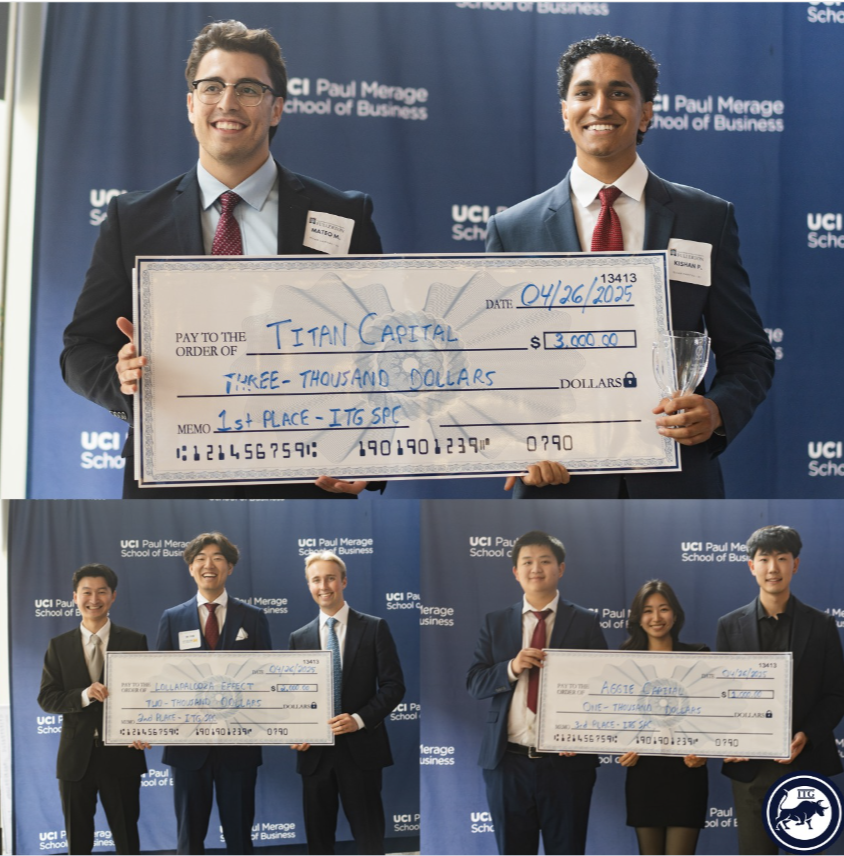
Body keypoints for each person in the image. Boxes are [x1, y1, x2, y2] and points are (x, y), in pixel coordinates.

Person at [61, 19, 383, 499]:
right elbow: (81, 348)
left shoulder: (342, 214)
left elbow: (386, 346)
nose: (228, 103)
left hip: (306, 479)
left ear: (276, 109)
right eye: (211, 87)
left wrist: (373, 458)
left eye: (249, 89)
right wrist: (119, 376)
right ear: (191, 104)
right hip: (171, 479)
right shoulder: (131, 219)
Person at [487, 34, 774, 499]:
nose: (600, 106)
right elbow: (493, 363)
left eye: (619, 92)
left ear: (646, 112)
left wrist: (717, 411)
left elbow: (748, 353)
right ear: (565, 111)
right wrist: (515, 444)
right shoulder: (511, 230)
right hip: (556, 478)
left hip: (676, 480)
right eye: (584, 93)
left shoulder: (706, 218)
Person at [466, 530, 607, 855]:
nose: (536, 568)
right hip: (507, 763)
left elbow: (601, 690)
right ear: (515, 572)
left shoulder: (585, 622)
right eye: (527, 562)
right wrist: (512, 667)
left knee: (567, 849)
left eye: (545, 561)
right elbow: (474, 683)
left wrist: (583, 736)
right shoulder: (495, 622)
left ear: (561, 568)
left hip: (567, 766)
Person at [716, 525, 844, 855]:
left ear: (795, 565)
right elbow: (721, 695)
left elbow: (835, 694)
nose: (773, 568)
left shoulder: (822, 625)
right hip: (750, 768)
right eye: (764, 559)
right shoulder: (729, 626)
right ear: (751, 566)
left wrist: (806, 735)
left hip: (806, 763)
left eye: (782, 558)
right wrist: (727, 738)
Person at [156, 532, 272, 855]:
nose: (209, 564)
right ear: (191, 568)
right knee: (189, 840)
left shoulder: (253, 617)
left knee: (239, 837)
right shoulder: (172, 618)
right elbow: (160, 682)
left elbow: (267, 678)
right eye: (201, 559)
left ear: (230, 568)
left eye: (218, 558)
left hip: (238, 749)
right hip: (188, 750)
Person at [289, 551, 405, 855]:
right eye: (316, 579)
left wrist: (359, 719)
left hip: (362, 751)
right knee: (319, 842)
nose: (323, 585)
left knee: (369, 840)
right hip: (315, 755)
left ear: (343, 581)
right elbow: (295, 696)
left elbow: (394, 687)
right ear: (309, 585)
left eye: (330, 578)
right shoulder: (298, 638)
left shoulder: (374, 627)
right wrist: (294, 730)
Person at [37, 564, 148, 855]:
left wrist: (143, 728)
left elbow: (147, 696)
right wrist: (84, 695)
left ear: (113, 596)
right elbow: (47, 698)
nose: (94, 599)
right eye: (87, 592)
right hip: (76, 761)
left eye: (102, 592)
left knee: (127, 839)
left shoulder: (135, 642)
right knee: (79, 841)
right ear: (75, 597)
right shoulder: (58, 646)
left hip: (123, 755)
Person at [617, 580, 708, 855]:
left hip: (687, 774)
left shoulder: (699, 656)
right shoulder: (624, 661)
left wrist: (705, 751)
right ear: (638, 618)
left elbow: (712, 718)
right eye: (647, 610)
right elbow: (616, 720)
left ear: (675, 615)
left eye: (663, 609)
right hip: (643, 774)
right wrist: (621, 748)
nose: (656, 618)